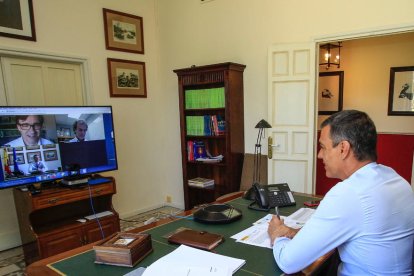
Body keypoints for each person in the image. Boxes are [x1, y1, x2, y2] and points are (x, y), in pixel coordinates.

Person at [267, 110, 414, 275]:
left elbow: (288, 261)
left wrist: (277, 234)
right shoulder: (396, 180)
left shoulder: (350, 193)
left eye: (323, 147)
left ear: (343, 148)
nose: (319, 155)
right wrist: (293, 232)